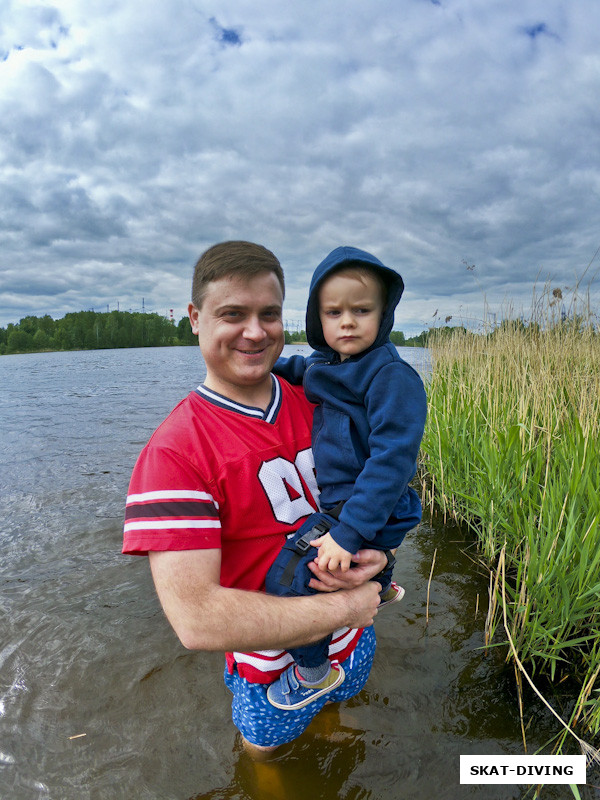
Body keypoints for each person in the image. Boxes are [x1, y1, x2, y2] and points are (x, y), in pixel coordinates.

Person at [122, 241, 388, 756]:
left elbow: (369, 492)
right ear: (195, 319)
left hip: (355, 635)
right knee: (264, 755)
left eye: (269, 314)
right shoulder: (176, 452)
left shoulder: (321, 400)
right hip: (270, 669)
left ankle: (330, 730)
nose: (254, 331)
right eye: (232, 314)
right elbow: (196, 619)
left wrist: (376, 554)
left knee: (339, 716)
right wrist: (348, 605)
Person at [265, 246, 427, 711]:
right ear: (318, 319)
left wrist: (347, 533)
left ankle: (314, 673)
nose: (348, 323)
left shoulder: (391, 377)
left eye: (362, 310)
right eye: (333, 313)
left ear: (384, 314)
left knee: (292, 578)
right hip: (350, 502)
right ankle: (385, 583)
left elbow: (392, 462)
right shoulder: (325, 363)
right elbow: (298, 368)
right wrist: (258, 363)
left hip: (367, 504)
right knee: (349, 565)